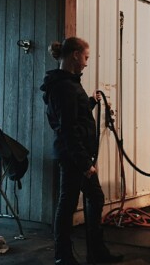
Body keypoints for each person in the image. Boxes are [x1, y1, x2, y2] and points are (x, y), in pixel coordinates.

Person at [40, 37, 123, 265]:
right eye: (86, 57)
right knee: (69, 204)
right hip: (74, 157)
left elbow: (73, 115)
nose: (87, 62)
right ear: (75, 54)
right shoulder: (65, 86)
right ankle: (64, 256)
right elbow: (68, 129)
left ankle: (92, 253)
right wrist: (85, 163)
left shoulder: (68, 83)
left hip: (76, 155)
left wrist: (90, 103)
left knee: (91, 198)